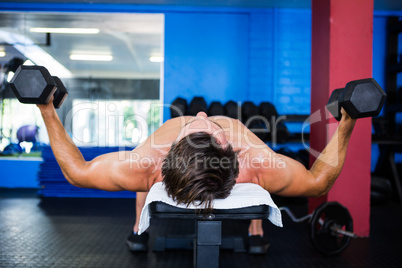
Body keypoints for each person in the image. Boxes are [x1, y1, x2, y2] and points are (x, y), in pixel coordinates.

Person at [37, 97, 356, 252]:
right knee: (260, 177)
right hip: (240, 168)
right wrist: (348, 120)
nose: (201, 113)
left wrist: (47, 108)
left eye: (196, 122)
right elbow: (318, 181)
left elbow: (78, 173)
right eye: (197, 123)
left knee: (142, 178)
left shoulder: (149, 164)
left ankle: (255, 229)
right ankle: (139, 226)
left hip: (175, 169)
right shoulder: (255, 161)